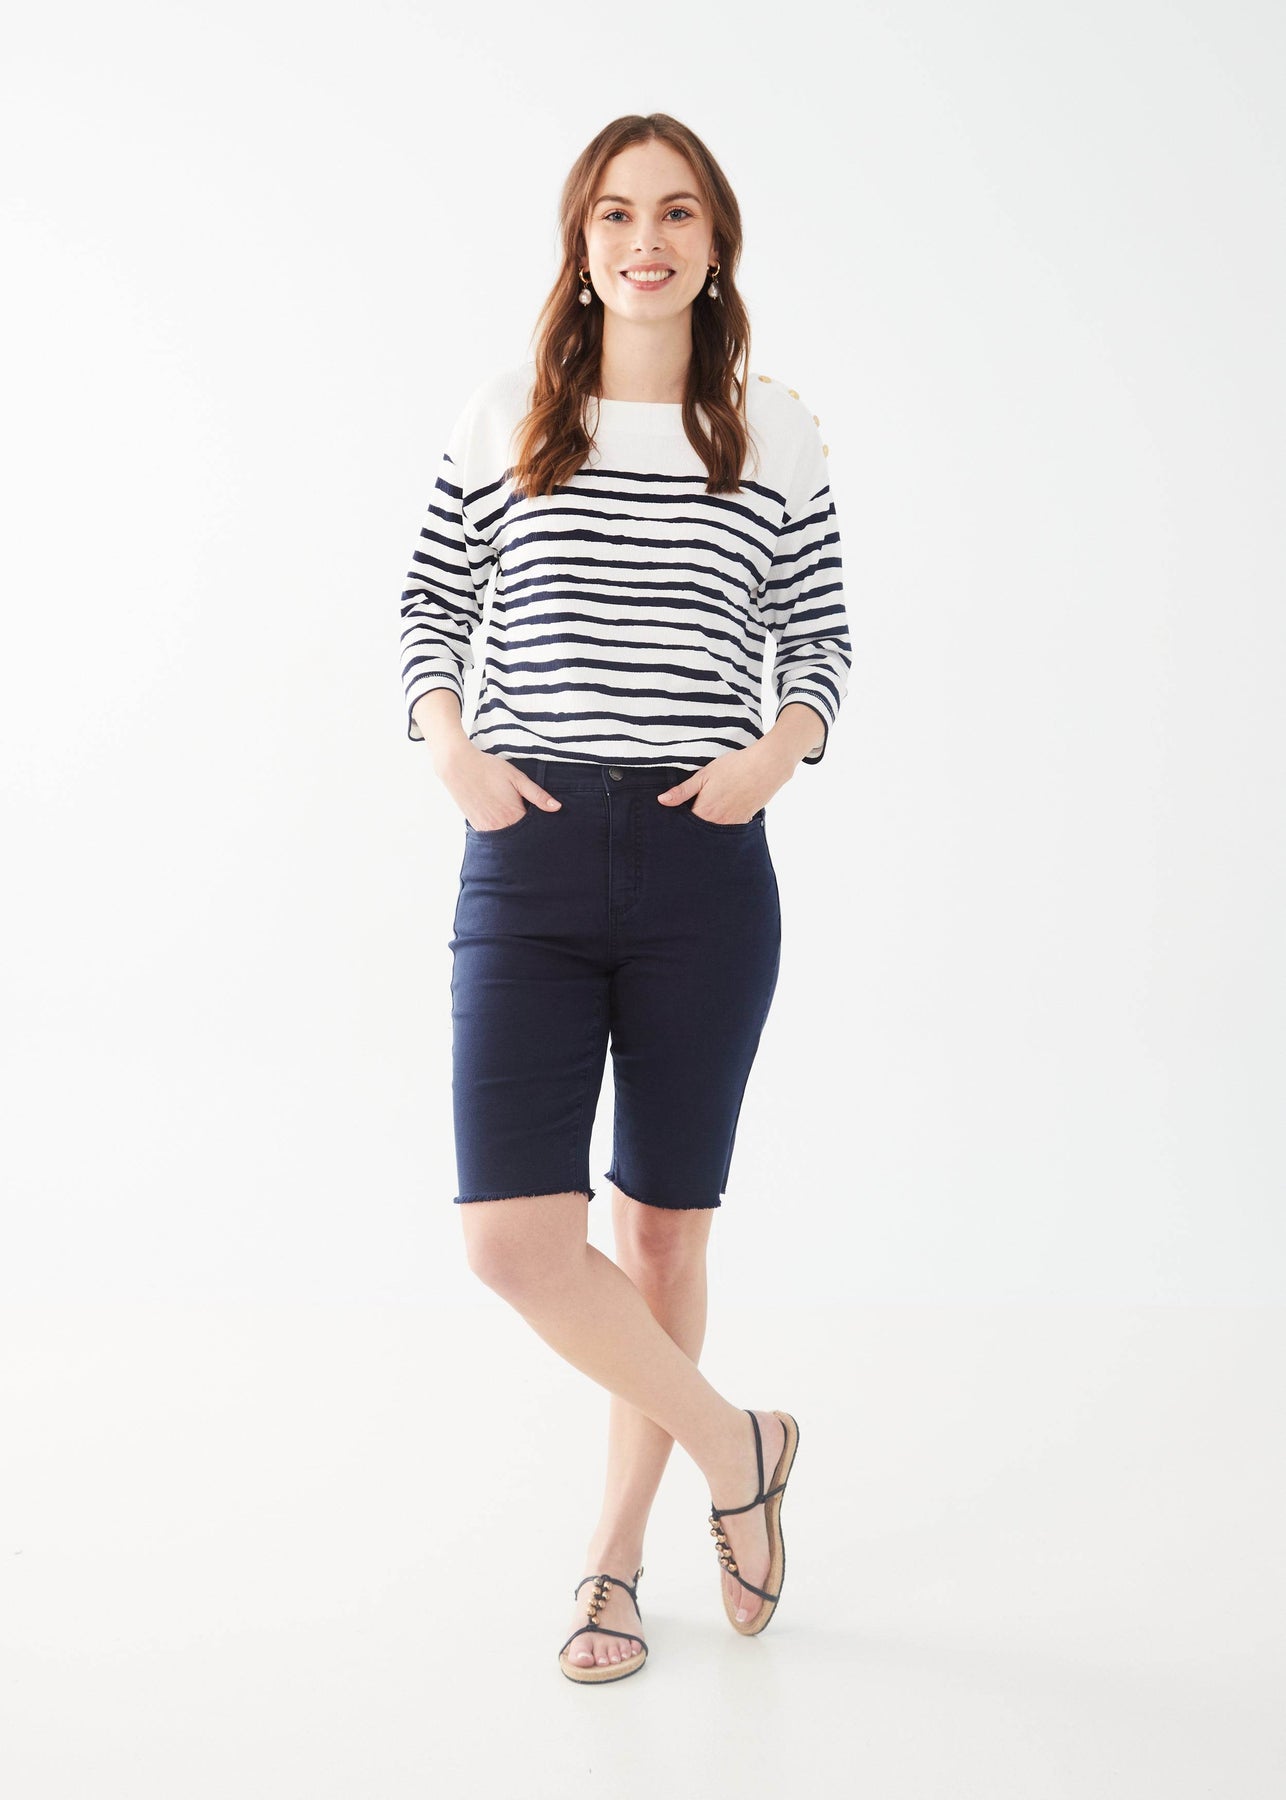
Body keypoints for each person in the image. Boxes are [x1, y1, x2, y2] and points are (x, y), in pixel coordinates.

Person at [397, 113, 851, 1683]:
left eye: (672, 213)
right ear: (579, 245)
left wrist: (771, 759)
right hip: (523, 847)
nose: (642, 239)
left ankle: (610, 1567)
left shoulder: (769, 431)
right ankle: (741, 1449)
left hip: (699, 859)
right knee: (511, 1239)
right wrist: (449, 748)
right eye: (611, 214)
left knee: (659, 1231)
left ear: (714, 245)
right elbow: (430, 602)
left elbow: (819, 637)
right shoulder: (511, 413)